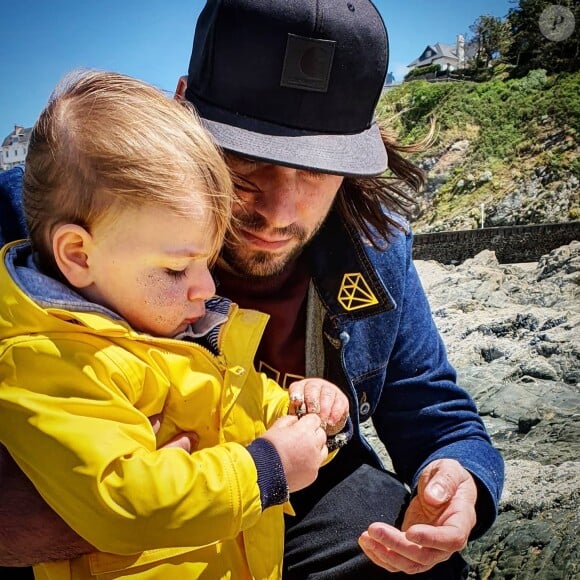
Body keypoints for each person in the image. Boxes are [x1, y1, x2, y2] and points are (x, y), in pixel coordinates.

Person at [0, 0, 505, 578]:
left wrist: (458, 478)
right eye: (247, 160)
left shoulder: (376, 248)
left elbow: (432, 409)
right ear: (182, 110)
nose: (279, 211)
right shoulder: (43, 210)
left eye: (316, 169)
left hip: (289, 506)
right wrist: (123, 511)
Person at [0, 69, 350, 580]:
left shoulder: (164, 328)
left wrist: (298, 406)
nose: (205, 287)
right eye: (174, 268)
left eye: (207, 262)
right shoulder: (51, 360)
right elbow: (122, 502)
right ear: (78, 254)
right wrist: (266, 470)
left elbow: (235, 407)